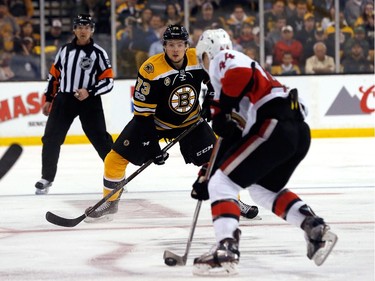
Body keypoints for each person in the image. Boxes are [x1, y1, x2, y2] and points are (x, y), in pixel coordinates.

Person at [192, 28, 338, 275]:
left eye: (203, 57)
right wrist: (208, 171)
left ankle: (226, 248)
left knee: (222, 186)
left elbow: (238, 73)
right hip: (295, 133)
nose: (205, 63)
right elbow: (232, 140)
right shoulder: (236, 83)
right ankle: (314, 227)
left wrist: (222, 108)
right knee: (261, 190)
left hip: (275, 125)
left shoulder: (224, 59)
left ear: (208, 53)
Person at [84, 24, 257, 222]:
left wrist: (210, 98)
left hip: (191, 122)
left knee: (217, 161)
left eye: (180, 44)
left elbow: (214, 77)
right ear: (164, 46)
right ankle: (110, 202)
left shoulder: (197, 57)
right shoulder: (151, 69)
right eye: (171, 45)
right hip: (153, 124)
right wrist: (152, 147)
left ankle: (232, 201)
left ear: (187, 45)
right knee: (114, 159)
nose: (175, 49)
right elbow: (143, 115)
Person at [34, 14, 114, 194]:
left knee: (101, 139)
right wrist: (48, 98)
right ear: (74, 30)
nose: (83, 30)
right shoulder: (64, 50)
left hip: (90, 102)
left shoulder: (99, 53)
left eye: (87, 27)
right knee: (51, 138)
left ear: (92, 30)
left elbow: (109, 81)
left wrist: (90, 91)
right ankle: (46, 178)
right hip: (64, 100)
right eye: (79, 27)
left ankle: (116, 177)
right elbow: (54, 76)